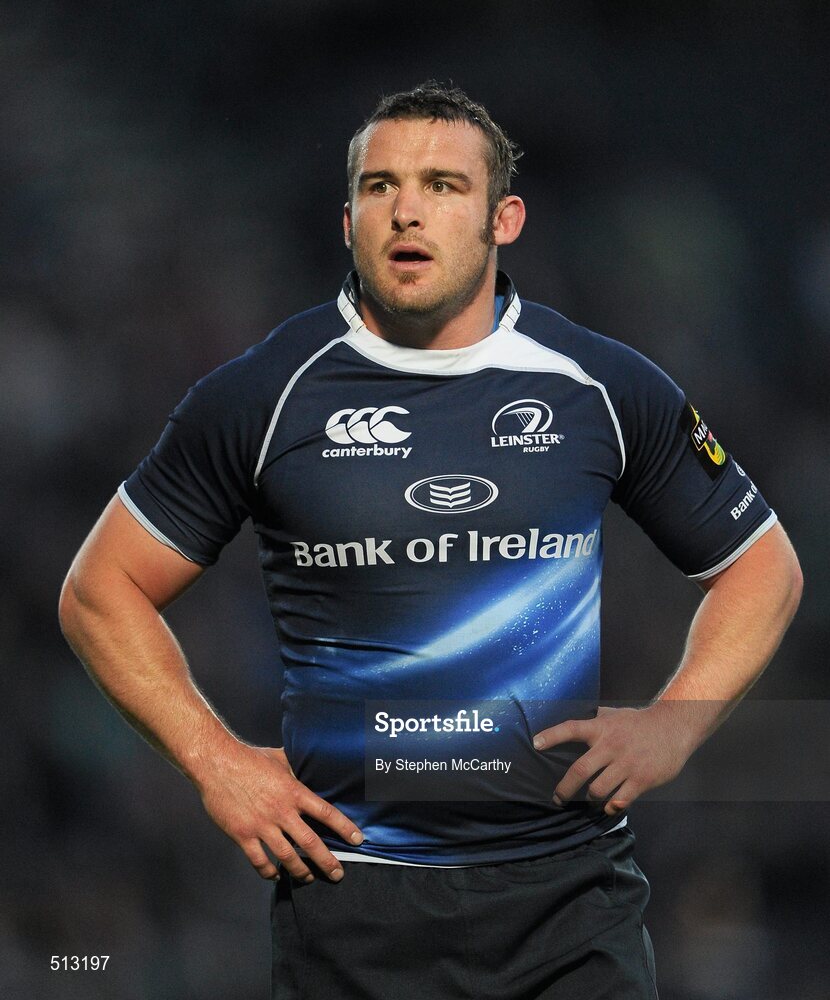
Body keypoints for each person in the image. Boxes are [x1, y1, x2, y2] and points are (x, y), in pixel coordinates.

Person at [59, 82, 802, 1000]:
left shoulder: (599, 385)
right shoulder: (262, 396)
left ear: (505, 218)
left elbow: (761, 564)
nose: (407, 209)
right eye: (380, 187)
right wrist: (217, 763)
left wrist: (676, 722)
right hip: (352, 917)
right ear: (347, 219)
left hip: (569, 912)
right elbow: (101, 591)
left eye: (445, 185)